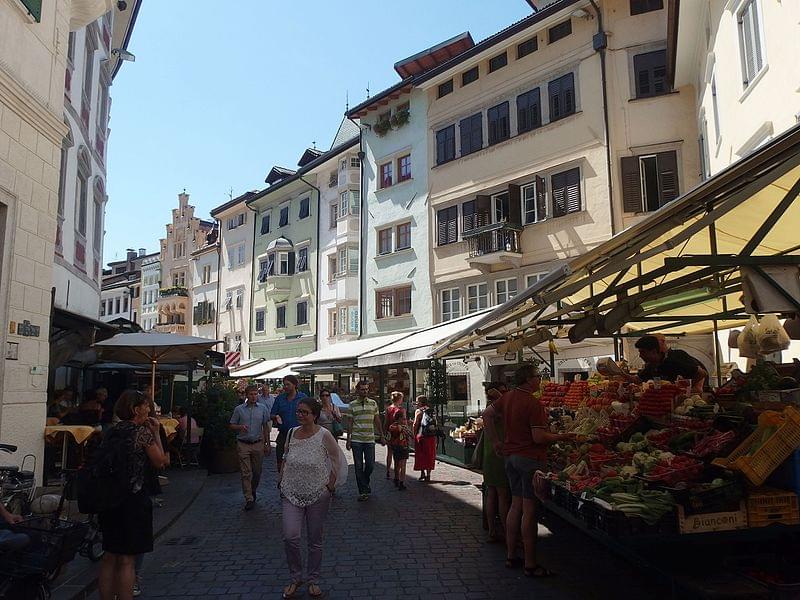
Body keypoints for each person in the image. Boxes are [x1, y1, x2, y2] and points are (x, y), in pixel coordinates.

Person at [483, 364, 574, 578]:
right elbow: (538, 438)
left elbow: (487, 415)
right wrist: (563, 436)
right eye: (538, 377)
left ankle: (511, 555)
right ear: (528, 379)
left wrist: (496, 442)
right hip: (530, 459)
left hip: (510, 459)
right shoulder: (533, 404)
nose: (540, 380)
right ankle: (531, 564)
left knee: (515, 505)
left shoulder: (507, 398)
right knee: (529, 510)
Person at [98, 390, 169, 600]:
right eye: (147, 405)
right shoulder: (141, 433)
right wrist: (157, 433)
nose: (150, 409)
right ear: (136, 409)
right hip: (133, 500)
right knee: (127, 560)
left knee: (110, 556)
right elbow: (161, 462)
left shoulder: (110, 431)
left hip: (108, 500)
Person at [278, 398, 340, 599]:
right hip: (291, 492)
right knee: (291, 536)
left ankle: (313, 579)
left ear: (314, 415)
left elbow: (335, 459)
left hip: (317, 494)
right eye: (298, 411)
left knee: (315, 540)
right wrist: (280, 480)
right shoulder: (291, 433)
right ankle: (296, 577)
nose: (300, 415)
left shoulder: (324, 435)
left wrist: (330, 485)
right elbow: (285, 457)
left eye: (304, 412)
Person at [229, 385, 270, 510]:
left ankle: (253, 489)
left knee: (257, 472)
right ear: (246, 395)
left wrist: (267, 443)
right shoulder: (239, 409)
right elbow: (231, 425)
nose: (253, 397)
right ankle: (249, 498)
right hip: (243, 444)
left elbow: (266, 426)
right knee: (246, 472)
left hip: (257, 443)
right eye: (251, 394)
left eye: (255, 394)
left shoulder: (262, 408)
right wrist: (240, 427)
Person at [345, 380, 385, 501]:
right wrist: (348, 438)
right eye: (362, 389)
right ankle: (363, 491)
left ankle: (365, 482)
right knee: (358, 466)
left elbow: (377, 420)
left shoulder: (373, 403)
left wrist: (382, 435)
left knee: (370, 465)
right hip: (357, 439)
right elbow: (350, 423)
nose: (365, 391)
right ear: (358, 390)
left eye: (367, 389)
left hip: (369, 439)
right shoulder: (352, 405)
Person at [628, 334, 708, 392]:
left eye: (643, 352)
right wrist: (621, 374)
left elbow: (702, 373)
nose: (640, 356)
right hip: (665, 404)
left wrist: (684, 388)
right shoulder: (652, 365)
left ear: (654, 351)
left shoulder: (676, 357)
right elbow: (639, 379)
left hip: (686, 402)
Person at [482, 383, 510, 543]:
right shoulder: (497, 411)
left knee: (491, 493)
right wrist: (501, 398)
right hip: (499, 453)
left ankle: (492, 530)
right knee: (502, 495)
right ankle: (507, 531)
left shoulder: (488, 409)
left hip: (489, 454)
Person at [271, 375, 308, 472]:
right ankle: (282, 482)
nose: (285, 387)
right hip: (284, 435)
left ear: (295, 385)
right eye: (284, 385)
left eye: (288, 384)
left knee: (298, 463)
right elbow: (272, 413)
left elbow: (310, 414)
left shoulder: (303, 398)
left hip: (300, 435)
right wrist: (276, 417)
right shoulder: (280, 398)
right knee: (281, 462)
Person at [412, 396, 437, 482]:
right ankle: (428, 474)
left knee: (421, 454)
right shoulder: (431, 410)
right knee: (429, 455)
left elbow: (415, 424)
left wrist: (413, 434)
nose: (416, 403)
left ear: (421, 402)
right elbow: (435, 422)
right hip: (430, 436)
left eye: (417, 401)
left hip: (421, 435)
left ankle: (422, 473)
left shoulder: (418, 411)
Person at [387, 409, 412, 490]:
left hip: (395, 447)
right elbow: (411, 435)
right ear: (400, 418)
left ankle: (396, 479)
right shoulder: (403, 427)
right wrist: (409, 426)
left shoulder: (392, 426)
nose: (405, 420)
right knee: (403, 465)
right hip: (403, 447)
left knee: (397, 464)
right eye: (404, 418)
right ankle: (401, 482)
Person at [383, 391, 405, 479]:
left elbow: (386, 421)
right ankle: (397, 473)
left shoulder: (389, 409)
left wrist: (384, 432)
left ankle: (388, 470)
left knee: (389, 452)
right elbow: (404, 422)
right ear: (399, 399)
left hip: (390, 431)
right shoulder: (401, 410)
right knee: (398, 454)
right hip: (398, 432)